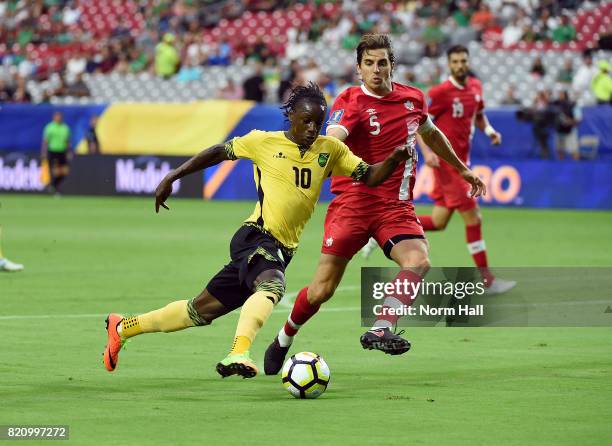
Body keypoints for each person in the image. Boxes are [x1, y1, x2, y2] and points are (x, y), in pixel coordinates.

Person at [102, 83, 415, 379]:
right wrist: (174, 174)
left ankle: (123, 328)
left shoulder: (330, 149)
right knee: (272, 287)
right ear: (291, 116)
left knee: (198, 311)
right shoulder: (263, 141)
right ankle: (238, 353)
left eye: (317, 123)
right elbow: (218, 151)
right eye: (305, 121)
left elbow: (370, 176)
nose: (310, 129)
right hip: (257, 236)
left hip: (282, 248)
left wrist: (394, 159)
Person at [264, 35, 486, 375]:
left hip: (394, 206)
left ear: (391, 65)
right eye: (369, 63)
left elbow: (432, 134)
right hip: (352, 203)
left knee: (418, 260)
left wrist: (462, 169)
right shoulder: (350, 100)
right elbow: (334, 137)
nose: (376, 69)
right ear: (358, 68)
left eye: (382, 62)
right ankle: (284, 336)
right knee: (322, 289)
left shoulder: (412, 99)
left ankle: (382, 325)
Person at [404, 45, 516, 295]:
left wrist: (489, 131)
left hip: (462, 162)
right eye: (455, 61)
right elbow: (420, 123)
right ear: (449, 64)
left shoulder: (475, 87)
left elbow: (480, 114)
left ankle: (385, 229)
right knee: (474, 218)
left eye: (463, 60)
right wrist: (428, 152)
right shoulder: (441, 92)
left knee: (439, 221)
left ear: (468, 61)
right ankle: (487, 280)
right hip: (448, 165)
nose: (460, 65)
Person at [41, 111, 72, 195]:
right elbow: (45, 141)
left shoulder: (65, 128)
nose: (58, 118)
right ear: (54, 117)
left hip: (62, 152)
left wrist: (69, 151)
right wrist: (43, 152)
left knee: (65, 171)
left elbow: (68, 141)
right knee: (56, 171)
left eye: (60, 116)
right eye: (57, 116)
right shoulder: (49, 127)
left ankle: (53, 185)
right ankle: (56, 189)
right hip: (53, 151)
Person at [552, 90, 581, 160]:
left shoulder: (573, 105)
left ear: (566, 95)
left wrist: (569, 121)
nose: (560, 96)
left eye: (562, 95)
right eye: (559, 95)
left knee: (574, 150)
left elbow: (578, 119)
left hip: (570, 131)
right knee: (560, 150)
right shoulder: (556, 105)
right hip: (559, 131)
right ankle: (560, 166)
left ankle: (576, 167)